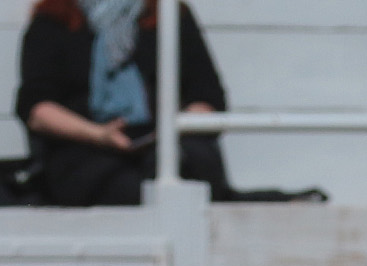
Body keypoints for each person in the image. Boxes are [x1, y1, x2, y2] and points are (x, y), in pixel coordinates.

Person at [16, 0, 253, 205]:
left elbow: (207, 95)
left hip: (164, 145)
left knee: (189, 169)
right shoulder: (53, 20)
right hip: (87, 147)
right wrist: (99, 135)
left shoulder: (169, 14)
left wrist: (169, 132)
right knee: (126, 189)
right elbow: (37, 108)